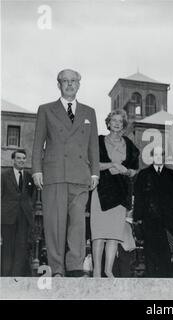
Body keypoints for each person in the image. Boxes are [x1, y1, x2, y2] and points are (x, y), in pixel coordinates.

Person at [32, 69, 100, 277]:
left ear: (79, 84)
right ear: (58, 84)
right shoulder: (45, 110)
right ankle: (56, 269)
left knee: (78, 225)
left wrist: (95, 172)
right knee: (54, 224)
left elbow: (93, 146)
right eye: (65, 81)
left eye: (74, 81)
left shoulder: (89, 112)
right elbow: (38, 143)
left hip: (80, 176)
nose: (69, 84)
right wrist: (36, 170)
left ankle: (75, 267)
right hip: (55, 174)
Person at [90, 109, 139, 277]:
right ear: (108, 123)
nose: (117, 123)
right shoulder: (98, 141)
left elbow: (134, 171)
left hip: (120, 192)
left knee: (114, 235)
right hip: (102, 192)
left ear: (123, 125)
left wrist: (125, 171)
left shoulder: (130, 144)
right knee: (99, 234)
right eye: (114, 120)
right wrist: (112, 165)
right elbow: (92, 164)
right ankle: (97, 272)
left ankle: (108, 270)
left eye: (120, 121)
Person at [133, 147, 173, 277]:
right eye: (156, 154)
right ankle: (151, 280)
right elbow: (139, 197)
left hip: (167, 221)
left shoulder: (172, 175)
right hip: (149, 220)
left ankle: (165, 282)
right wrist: (137, 218)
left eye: (161, 154)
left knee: (166, 251)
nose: (159, 157)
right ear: (152, 156)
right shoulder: (143, 174)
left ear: (165, 156)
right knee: (150, 252)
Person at [1, 150, 35, 276]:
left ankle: (16, 278)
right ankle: (5, 278)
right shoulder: (4, 176)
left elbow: (30, 196)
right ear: (13, 160)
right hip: (7, 218)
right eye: (19, 158)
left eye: (24, 158)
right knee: (7, 249)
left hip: (23, 218)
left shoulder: (29, 177)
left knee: (21, 248)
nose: (21, 160)